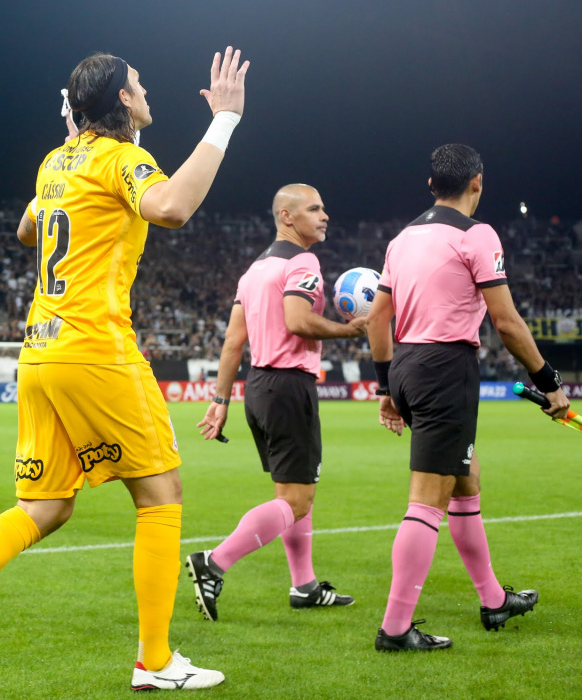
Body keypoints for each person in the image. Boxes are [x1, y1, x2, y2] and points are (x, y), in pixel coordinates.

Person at [0, 47, 249, 696]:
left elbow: (28, 230)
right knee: (160, 496)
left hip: (40, 354)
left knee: (44, 507)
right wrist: (223, 121)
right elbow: (168, 209)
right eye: (138, 85)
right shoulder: (120, 157)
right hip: (95, 348)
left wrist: (71, 150)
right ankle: (155, 660)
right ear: (123, 104)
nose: (146, 91)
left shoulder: (57, 160)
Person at [367, 144, 571, 652]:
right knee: (427, 498)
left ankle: (493, 599)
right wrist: (548, 381)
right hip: (445, 368)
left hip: (410, 366)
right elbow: (505, 320)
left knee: (465, 480)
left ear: (431, 184)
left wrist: (386, 387)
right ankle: (394, 630)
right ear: (476, 183)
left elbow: (377, 319)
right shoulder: (477, 234)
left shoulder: (401, 239)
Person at [188, 185, 366, 622]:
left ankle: (303, 586)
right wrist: (354, 329)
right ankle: (213, 564)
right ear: (287, 217)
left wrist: (220, 399)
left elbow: (233, 343)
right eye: (314, 208)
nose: (325, 215)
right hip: (288, 388)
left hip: (259, 387)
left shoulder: (253, 272)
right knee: (297, 500)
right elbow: (299, 321)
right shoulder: (302, 261)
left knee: (293, 492)